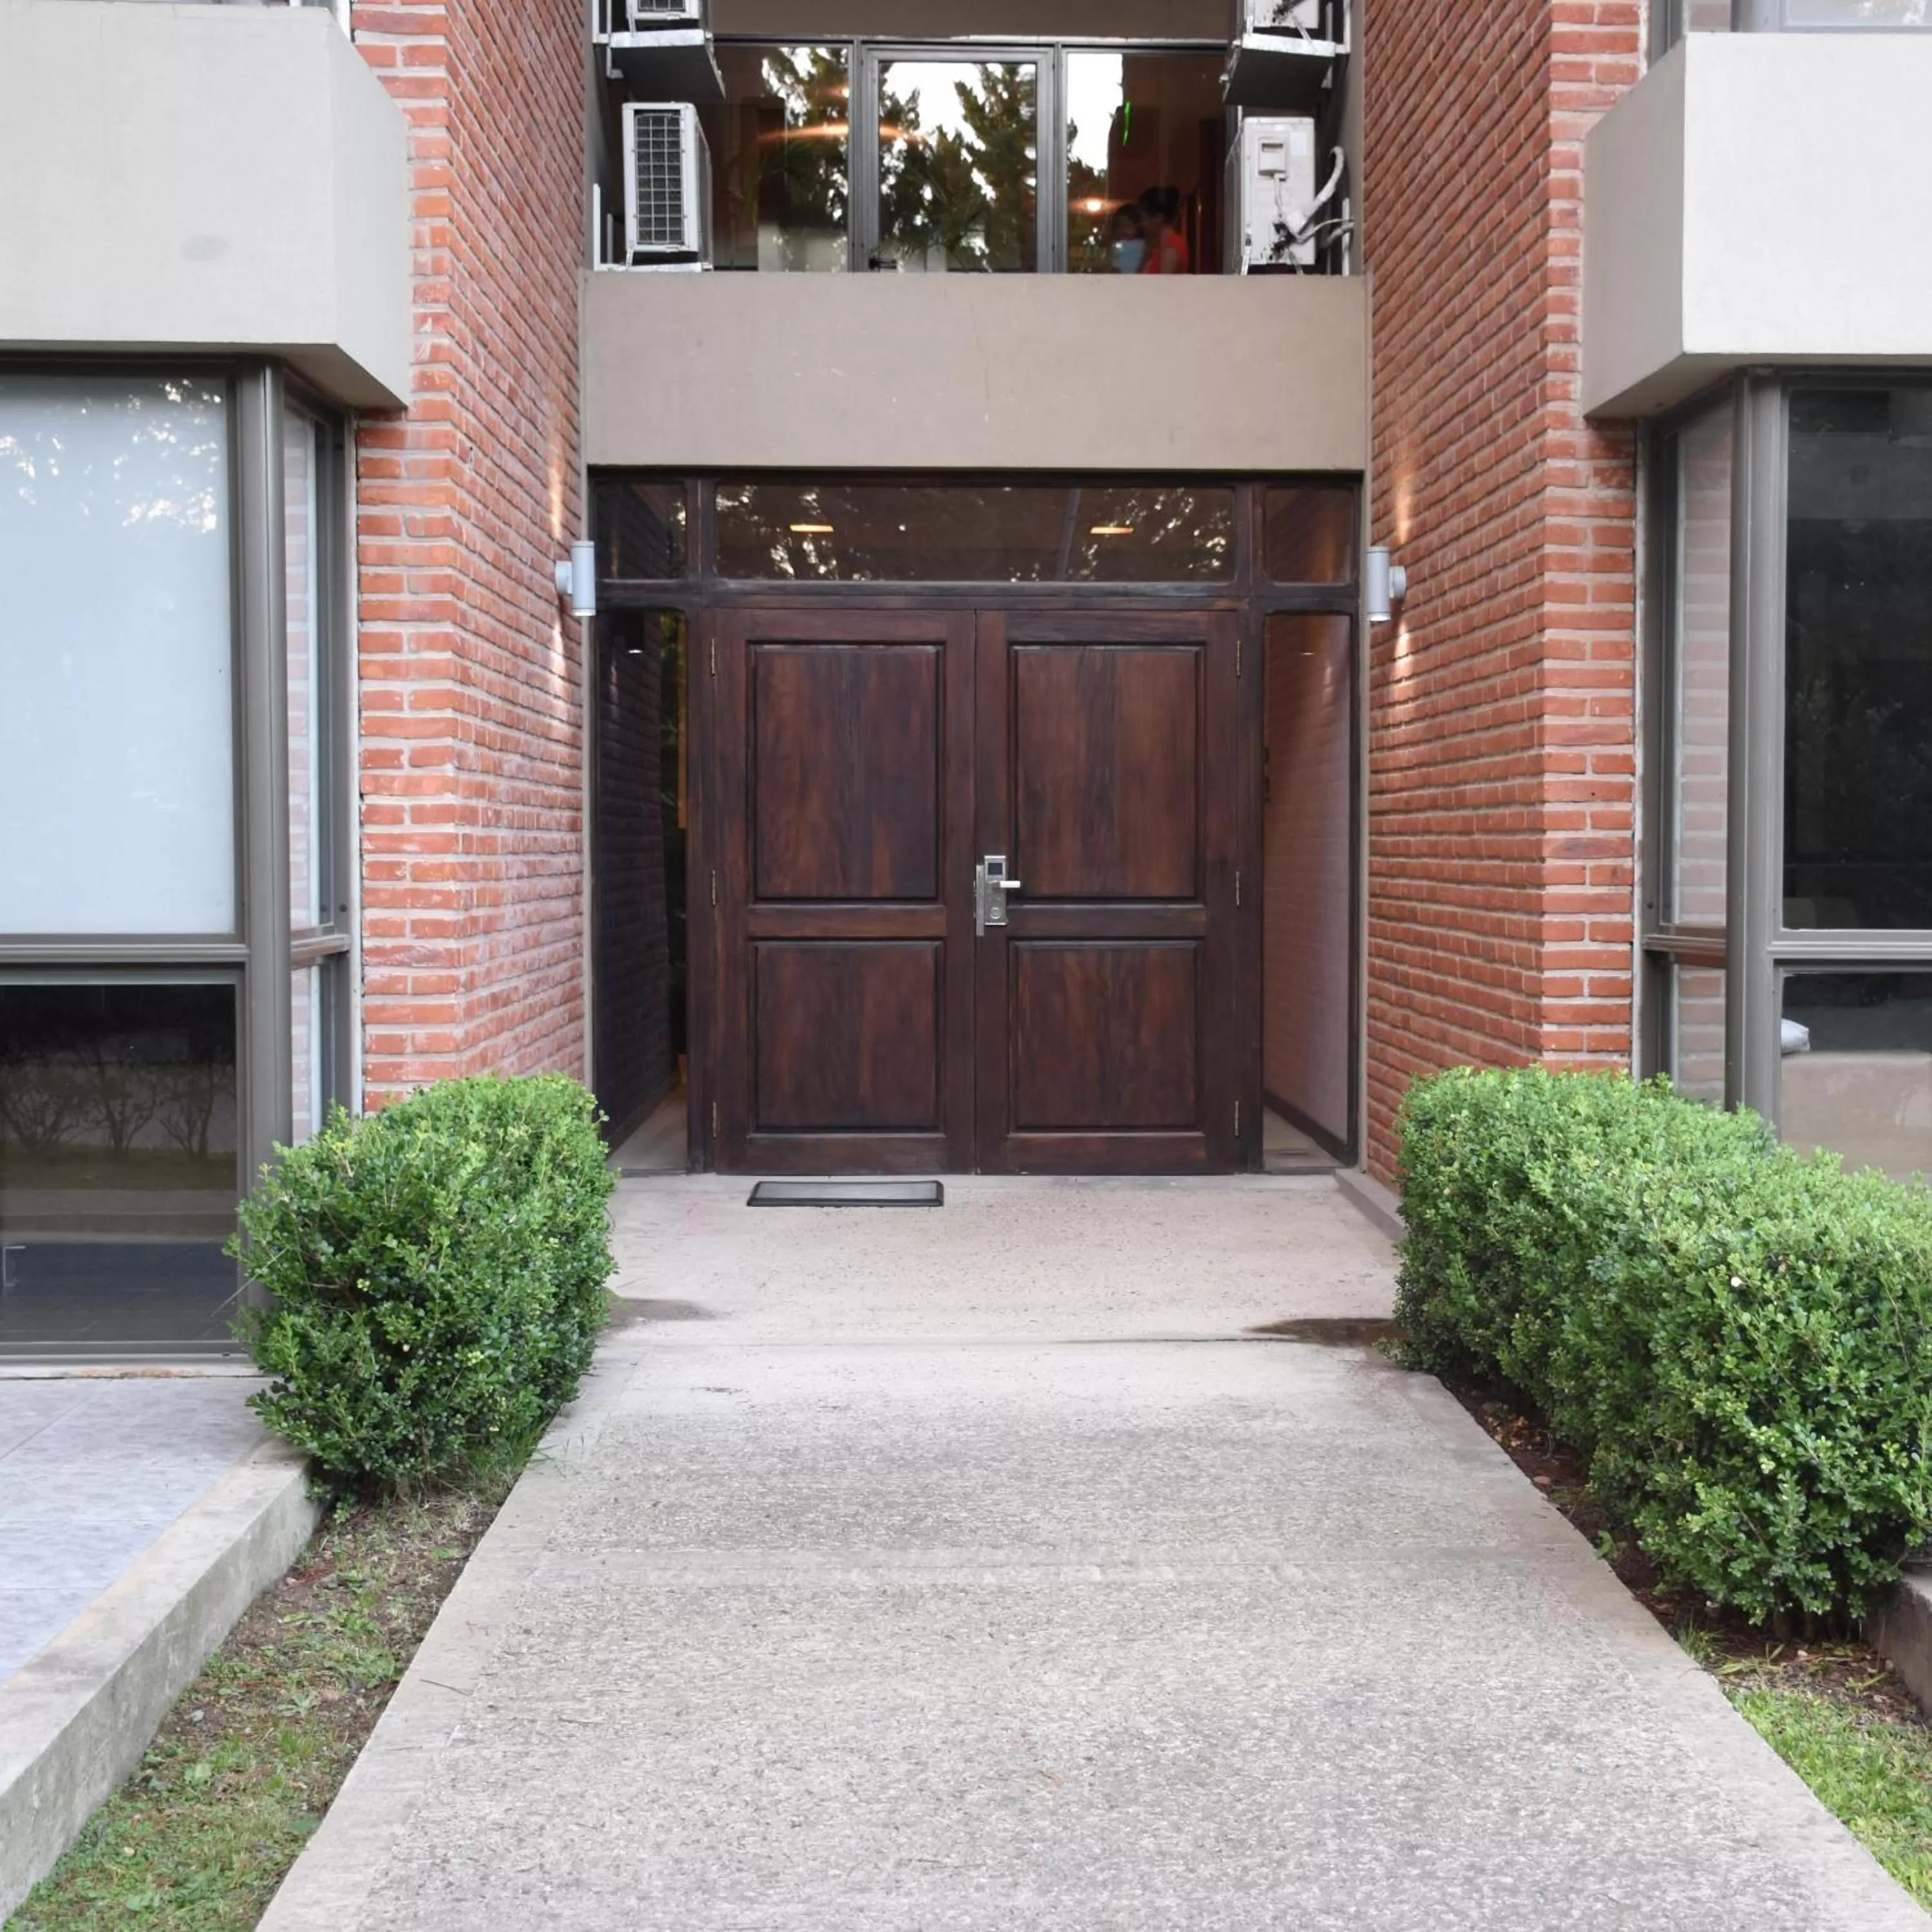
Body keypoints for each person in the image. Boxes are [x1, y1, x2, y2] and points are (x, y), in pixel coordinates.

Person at [1137, 185, 1191, 276]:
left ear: (1158, 218)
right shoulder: (1156, 246)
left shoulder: (1172, 245)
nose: (1142, 224)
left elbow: (1163, 285)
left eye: (1143, 218)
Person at [1108, 202, 1147, 274]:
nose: (1123, 230)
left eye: (1128, 226)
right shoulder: (1115, 245)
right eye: (1119, 227)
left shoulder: (1142, 245)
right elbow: (1113, 260)